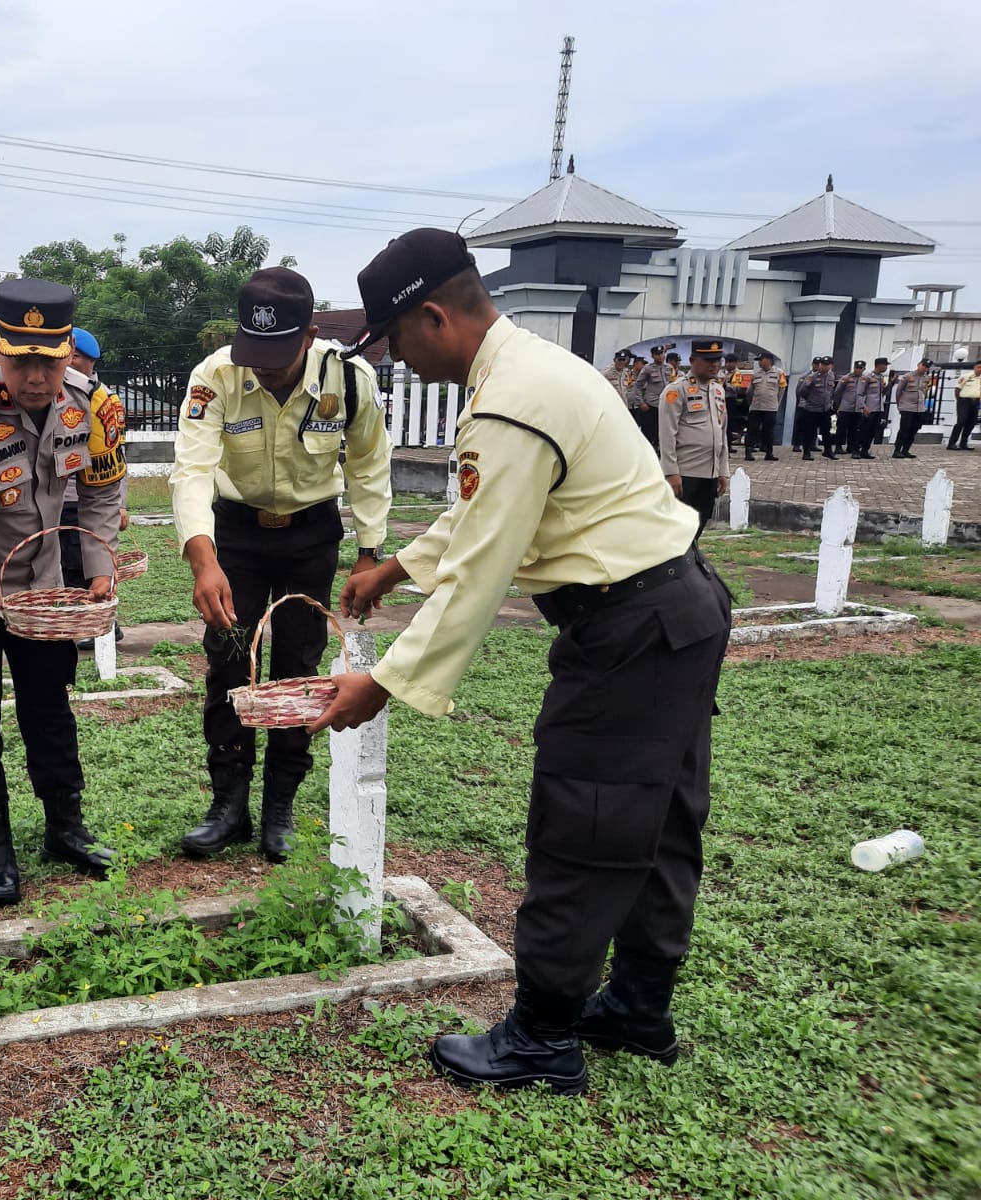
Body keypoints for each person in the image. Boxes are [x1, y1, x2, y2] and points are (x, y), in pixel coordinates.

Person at [312, 228, 731, 1097]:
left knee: (586, 819)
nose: (395, 359)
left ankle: (542, 1039)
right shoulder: (530, 371)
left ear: (434, 315)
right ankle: (639, 1010)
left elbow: (483, 567)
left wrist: (383, 683)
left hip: (631, 628)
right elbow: (486, 511)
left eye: (395, 340)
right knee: (655, 822)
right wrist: (396, 564)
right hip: (677, 610)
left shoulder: (509, 398)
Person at [169, 266, 392, 863]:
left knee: (298, 668)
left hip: (310, 535)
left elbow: (369, 465)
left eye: (277, 352)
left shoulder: (349, 379)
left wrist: (369, 552)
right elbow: (192, 470)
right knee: (228, 662)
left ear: (310, 333)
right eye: (253, 350)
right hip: (235, 536)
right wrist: (202, 558)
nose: (262, 365)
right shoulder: (213, 376)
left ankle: (280, 809)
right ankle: (228, 806)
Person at [0, 279, 127, 906]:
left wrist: (97, 568)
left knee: (50, 706)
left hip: (41, 586)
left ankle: (65, 827)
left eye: (50, 360)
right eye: (20, 360)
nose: (36, 377)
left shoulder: (92, 406)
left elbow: (102, 491)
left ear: (70, 352)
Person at [59, 327, 130, 649]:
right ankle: (84, 622)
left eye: (77, 358)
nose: (70, 364)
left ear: (91, 362)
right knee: (66, 565)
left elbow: (116, 462)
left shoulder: (103, 402)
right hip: (57, 502)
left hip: (85, 499)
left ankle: (100, 624)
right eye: (68, 356)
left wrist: (121, 504)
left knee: (84, 565)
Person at [660, 341, 731, 540]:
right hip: (685, 473)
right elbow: (667, 435)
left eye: (717, 360)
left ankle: (688, 564)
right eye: (708, 360)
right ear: (692, 361)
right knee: (677, 528)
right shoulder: (676, 391)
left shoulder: (718, 391)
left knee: (699, 524)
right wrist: (671, 472)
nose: (714, 365)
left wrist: (723, 471)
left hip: (709, 473)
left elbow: (721, 433)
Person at [628, 345, 671, 448]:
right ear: (652, 356)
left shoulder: (669, 368)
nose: (660, 356)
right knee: (647, 434)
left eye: (662, 354)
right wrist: (640, 403)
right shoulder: (648, 369)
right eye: (657, 354)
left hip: (665, 405)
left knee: (661, 433)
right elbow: (637, 386)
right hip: (651, 406)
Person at [744, 351, 783, 462]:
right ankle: (749, 451)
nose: (760, 363)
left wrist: (776, 403)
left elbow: (782, 390)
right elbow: (749, 392)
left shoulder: (779, 373)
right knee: (752, 430)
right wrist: (751, 403)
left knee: (768, 431)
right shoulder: (756, 374)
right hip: (755, 407)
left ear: (769, 360)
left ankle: (769, 452)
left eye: (761, 360)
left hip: (770, 408)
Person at [892, 360, 932, 459]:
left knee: (914, 429)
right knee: (904, 429)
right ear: (919, 365)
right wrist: (900, 405)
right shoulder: (907, 376)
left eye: (927, 367)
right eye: (923, 365)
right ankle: (897, 450)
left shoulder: (926, 378)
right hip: (907, 407)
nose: (924, 368)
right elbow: (899, 391)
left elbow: (925, 392)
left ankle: (906, 450)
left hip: (919, 408)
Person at [850, 358, 888, 459]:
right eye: (885, 365)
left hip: (878, 408)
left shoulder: (881, 377)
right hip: (869, 408)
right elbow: (859, 393)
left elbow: (882, 393)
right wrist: (863, 407)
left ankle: (865, 450)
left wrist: (891, 384)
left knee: (872, 431)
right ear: (879, 365)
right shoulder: (867, 377)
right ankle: (855, 450)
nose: (886, 367)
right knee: (863, 430)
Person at [832, 361, 867, 457]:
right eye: (856, 368)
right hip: (845, 407)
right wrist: (836, 404)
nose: (858, 370)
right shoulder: (846, 378)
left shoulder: (865, 379)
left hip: (857, 408)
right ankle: (838, 446)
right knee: (842, 428)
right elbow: (837, 392)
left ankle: (851, 446)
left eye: (860, 368)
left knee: (854, 429)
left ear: (864, 369)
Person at [950, 362, 981, 451]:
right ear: (974, 367)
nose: (980, 369)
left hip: (975, 401)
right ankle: (952, 443)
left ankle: (964, 443)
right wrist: (959, 400)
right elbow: (957, 389)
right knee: (961, 422)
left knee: (971, 423)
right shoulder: (966, 376)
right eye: (979, 367)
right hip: (964, 401)